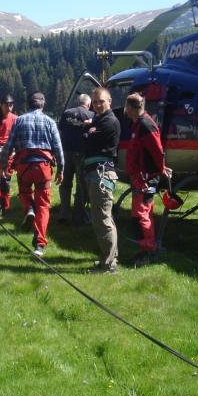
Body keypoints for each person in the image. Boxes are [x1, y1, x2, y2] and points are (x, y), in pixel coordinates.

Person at [0, 92, 64, 257]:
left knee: (24, 192)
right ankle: (39, 244)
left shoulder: (19, 121)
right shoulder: (50, 122)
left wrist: (3, 165)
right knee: (43, 205)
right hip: (43, 167)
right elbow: (58, 148)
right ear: (43, 105)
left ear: (29, 105)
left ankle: (29, 208)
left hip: (24, 166)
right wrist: (61, 169)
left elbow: (8, 146)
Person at [124, 93, 172, 266]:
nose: (125, 110)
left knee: (141, 214)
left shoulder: (145, 124)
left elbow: (157, 149)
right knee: (143, 213)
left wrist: (160, 169)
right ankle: (144, 249)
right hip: (139, 176)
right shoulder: (138, 124)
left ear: (130, 107)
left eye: (126, 107)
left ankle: (150, 250)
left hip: (145, 178)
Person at [83, 87, 121, 274]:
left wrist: (88, 131)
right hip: (96, 173)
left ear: (110, 101)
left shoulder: (109, 122)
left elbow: (88, 141)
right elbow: (87, 136)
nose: (97, 105)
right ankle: (111, 258)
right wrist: (89, 130)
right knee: (104, 217)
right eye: (95, 101)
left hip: (101, 174)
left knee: (102, 218)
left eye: (101, 101)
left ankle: (108, 265)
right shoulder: (99, 120)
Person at [58, 94, 94, 224]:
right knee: (81, 186)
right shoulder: (91, 116)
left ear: (77, 102)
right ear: (89, 104)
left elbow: (60, 132)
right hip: (82, 154)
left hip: (66, 152)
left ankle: (64, 213)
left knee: (65, 184)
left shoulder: (67, 113)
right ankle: (78, 216)